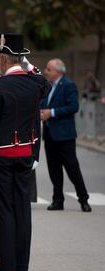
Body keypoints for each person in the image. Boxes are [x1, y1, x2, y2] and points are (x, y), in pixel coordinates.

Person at [0, 33, 50, 271]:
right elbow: (45, 83)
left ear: (2, 58)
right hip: (26, 153)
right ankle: (22, 268)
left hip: (0, 156)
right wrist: (29, 65)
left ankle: (6, 267)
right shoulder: (34, 83)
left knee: (3, 210)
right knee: (22, 210)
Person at [41, 58, 92, 212]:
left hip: (65, 135)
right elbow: (43, 104)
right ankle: (58, 200)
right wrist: (41, 111)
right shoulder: (48, 86)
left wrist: (52, 112)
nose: (46, 71)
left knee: (72, 168)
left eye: (49, 69)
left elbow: (73, 106)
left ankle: (83, 199)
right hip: (50, 134)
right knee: (54, 169)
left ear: (58, 72)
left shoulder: (68, 85)